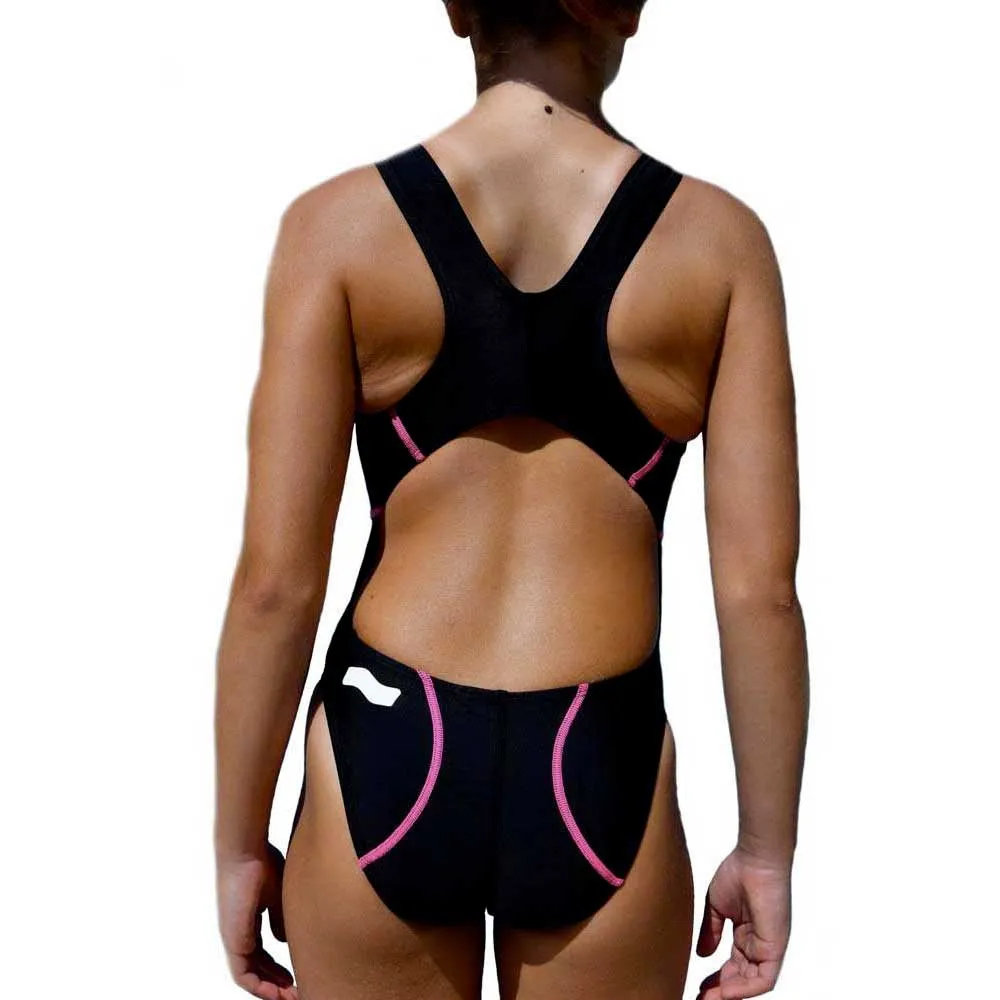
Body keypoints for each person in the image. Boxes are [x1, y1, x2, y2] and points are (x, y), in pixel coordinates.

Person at [213, 1, 810, 998]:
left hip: (386, 742)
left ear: (457, 9)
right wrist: (767, 851)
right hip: (599, 758)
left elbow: (275, 585)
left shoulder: (337, 229)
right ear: (626, 10)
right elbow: (761, 593)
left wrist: (240, 844)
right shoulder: (718, 245)